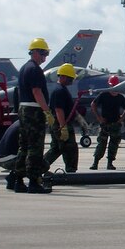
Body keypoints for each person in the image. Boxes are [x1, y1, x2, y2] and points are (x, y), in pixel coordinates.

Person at [8, 37, 53, 194]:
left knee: (24, 147)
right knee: (35, 147)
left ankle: (18, 180)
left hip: (24, 109)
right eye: (43, 53)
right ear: (35, 52)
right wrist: (46, 111)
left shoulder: (24, 68)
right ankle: (34, 182)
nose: (44, 57)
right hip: (34, 111)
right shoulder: (34, 69)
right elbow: (37, 91)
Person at [43, 63, 79, 173]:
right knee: (70, 148)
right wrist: (63, 127)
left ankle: (39, 167)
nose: (72, 80)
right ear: (63, 77)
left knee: (56, 149)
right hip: (61, 124)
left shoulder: (62, 89)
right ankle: (71, 171)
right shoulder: (60, 91)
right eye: (70, 78)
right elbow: (59, 110)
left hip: (59, 123)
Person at [90, 75, 125, 170]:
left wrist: (121, 119)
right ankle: (95, 163)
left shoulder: (120, 97)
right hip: (105, 124)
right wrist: (99, 118)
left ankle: (110, 163)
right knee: (101, 144)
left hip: (115, 124)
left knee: (113, 145)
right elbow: (93, 104)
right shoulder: (103, 95)